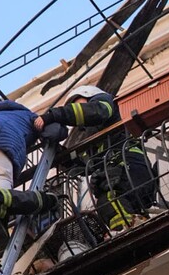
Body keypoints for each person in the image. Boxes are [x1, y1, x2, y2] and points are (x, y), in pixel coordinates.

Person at [34, 85, 157, 232]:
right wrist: (61, 155)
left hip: (130, 168)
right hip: (123, 179)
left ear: (89, 95)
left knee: (110, 201)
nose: (75, 110)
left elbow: (94, 112)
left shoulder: (106, 104)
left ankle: (129, 228)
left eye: (77, 104)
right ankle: (133, 225)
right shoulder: (94, 141)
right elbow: (84, 166)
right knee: (105, 203)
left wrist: (53, 115)